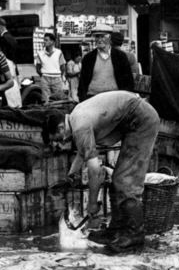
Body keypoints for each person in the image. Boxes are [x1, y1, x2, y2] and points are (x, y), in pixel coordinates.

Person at [50, 90, 160, 252]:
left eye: (57, 139)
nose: (59, 144)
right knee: (118, 179)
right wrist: (72, 173)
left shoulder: (79, 125)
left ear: (60, 128)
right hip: (135, 120)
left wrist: (93, 203)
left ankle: (135, 234)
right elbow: (84, 151)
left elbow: (96, 172)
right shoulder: (76, 117)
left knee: (125, 181)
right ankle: (116, 231)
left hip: (142, 120)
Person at [78, 26, 135, 101]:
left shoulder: (120, 56)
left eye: (102, 37)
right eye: (97, 37)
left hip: (114, 98)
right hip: (92, 98)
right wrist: (82, 99)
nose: (99, 40)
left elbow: (128, 80)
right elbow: (83, 82)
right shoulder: (88, 58)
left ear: (110, 38)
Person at [35, 32, 66, 103]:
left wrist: (60, 76)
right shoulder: (40, 53)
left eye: (46, 40)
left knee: (58, 100)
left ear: (52, 42)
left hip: (57, 79)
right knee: (46, 101)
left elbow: (63, 67)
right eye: (44, 40)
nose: (44, 42)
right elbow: (38, 68)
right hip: (45, 79)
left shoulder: (59, 52)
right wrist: (43, 75)